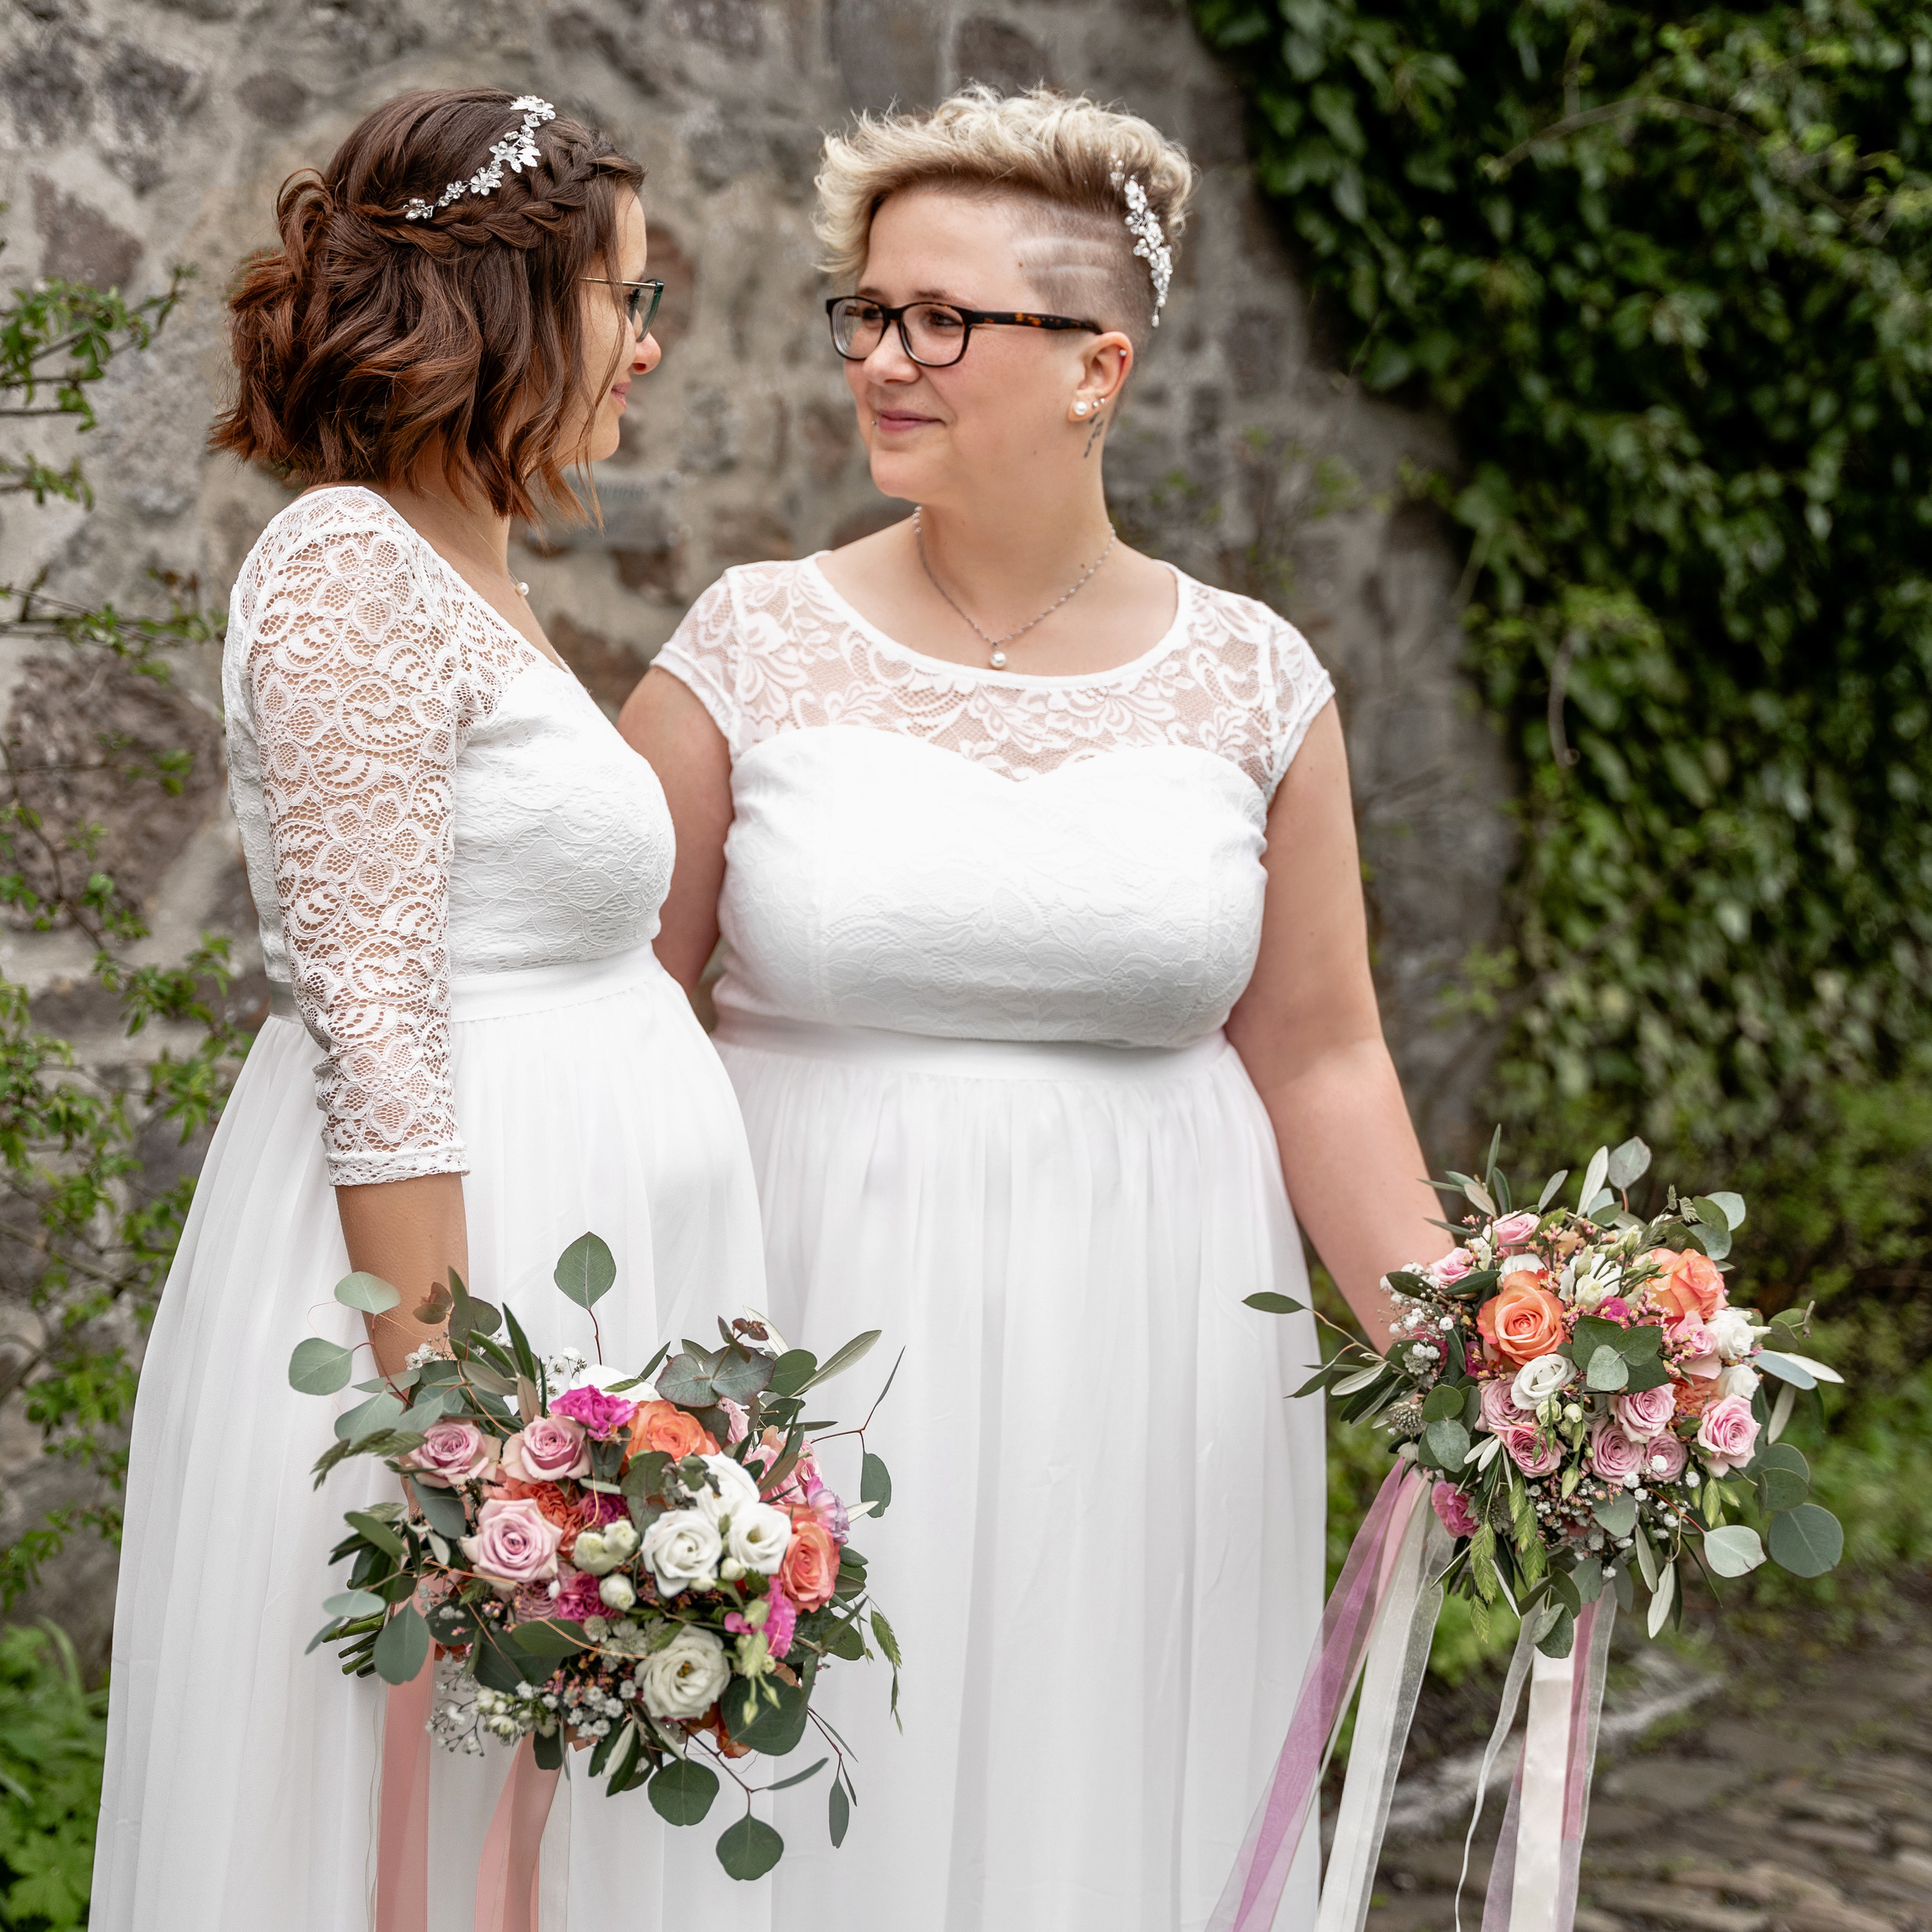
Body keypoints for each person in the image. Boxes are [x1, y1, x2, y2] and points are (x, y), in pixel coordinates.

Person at [622, 85, 1448, 1931]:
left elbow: (1318, 1050)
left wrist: (1468, 1373)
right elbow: (626, 1011)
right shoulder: (743, 644)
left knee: (1096, 1803)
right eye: (868, 311)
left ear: (1097, 364)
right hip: (802, 1308)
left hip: (1153, 1343)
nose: (883, 358)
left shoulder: (1254, 677)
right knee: (792, 1788)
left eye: (942, 320)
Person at [94, 89, 766, 1930]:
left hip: (580, 1270)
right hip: (455, 1307)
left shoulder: (472, 568)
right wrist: (474, 1468)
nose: (646, 345)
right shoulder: (342, 573)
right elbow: (374, 1029)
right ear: (502, 303)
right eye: (625, 298)